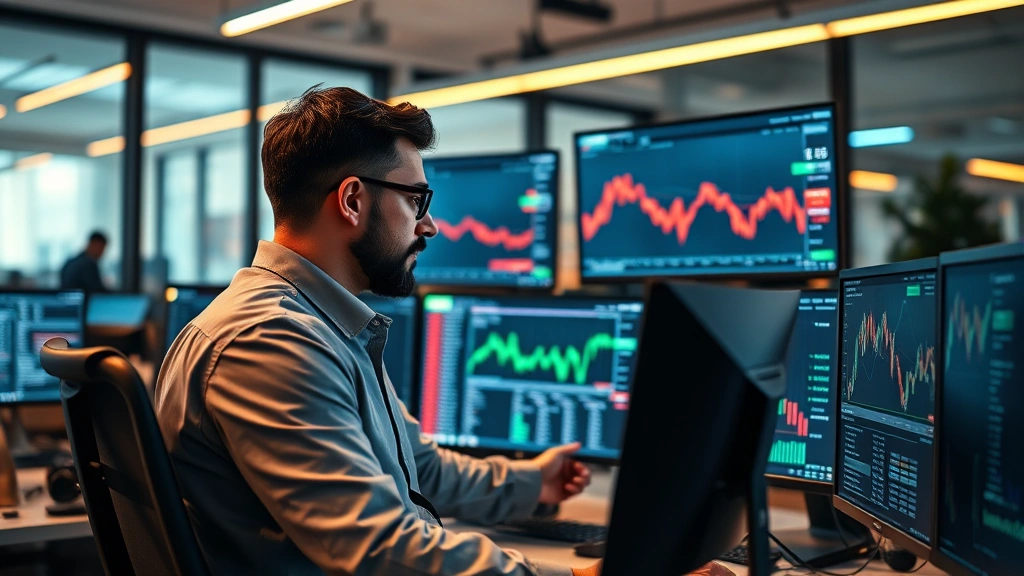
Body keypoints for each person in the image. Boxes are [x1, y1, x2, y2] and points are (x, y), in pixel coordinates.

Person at [154, 86, 600, 576]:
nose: (428, 226)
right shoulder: (272, 341)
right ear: (352, 200)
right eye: (416, 200)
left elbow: (418, 467)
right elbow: (376, 544)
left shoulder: (324, 325)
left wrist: (533, 483)